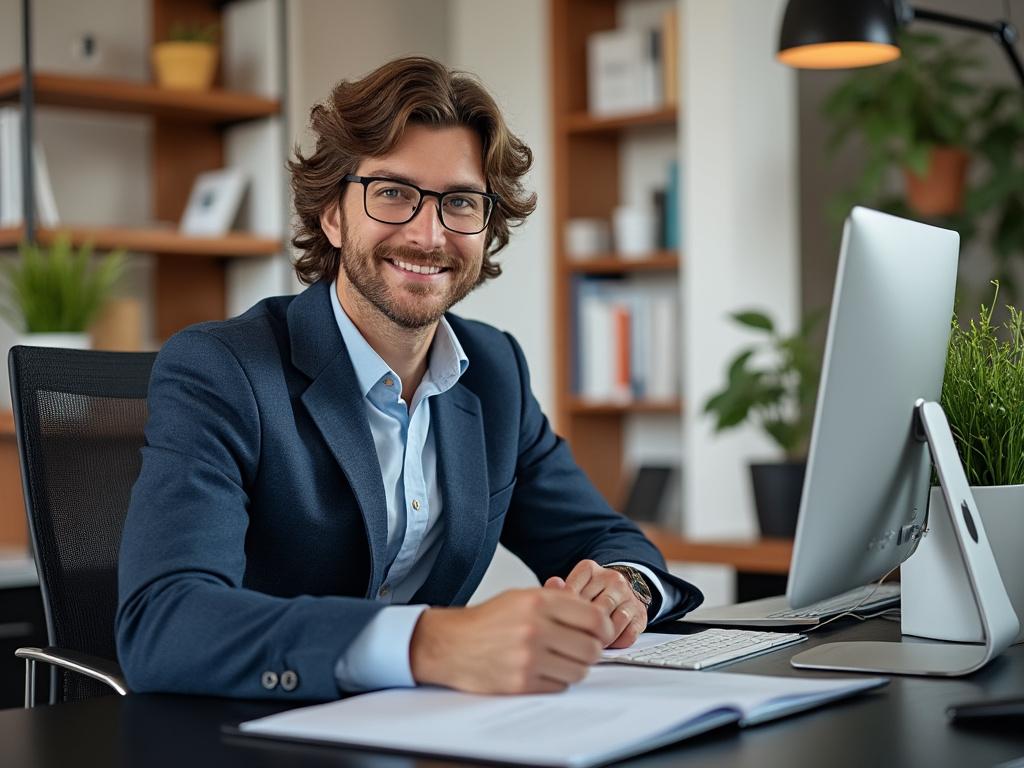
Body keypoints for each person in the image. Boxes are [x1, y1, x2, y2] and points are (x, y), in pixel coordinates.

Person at [116, 56, 702, 701]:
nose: (428, 234)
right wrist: (429, 642)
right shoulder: (222, 370)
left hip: (427, 732)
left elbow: (605, 538)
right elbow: (165, 623)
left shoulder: (495, 370)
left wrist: (627, 585)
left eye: (459, 202)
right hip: (253, 733)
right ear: (333, 216)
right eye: (392, 192)